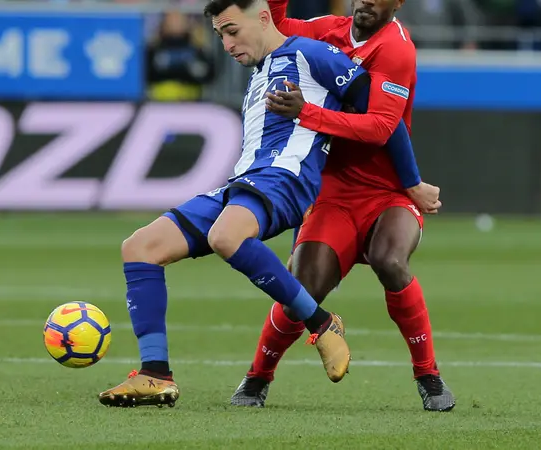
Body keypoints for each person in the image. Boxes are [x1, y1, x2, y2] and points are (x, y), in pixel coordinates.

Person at [97, 0, 421, 408]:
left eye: (232, 31)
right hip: (242, 184)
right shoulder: (260, 73)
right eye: (220, 36)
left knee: (226, 236)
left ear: (263, 18)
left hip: (286, 178)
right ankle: (155, 374)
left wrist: (411, 183)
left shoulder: (312, 53)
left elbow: (383, 121)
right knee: (140, 247)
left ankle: (321, 323)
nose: (227, 44)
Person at [230, 0, 456, 412]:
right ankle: (257, 378)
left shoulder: (396, 48)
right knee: (304, 287)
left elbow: (380, 128)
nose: (365, 0)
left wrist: (308, 114)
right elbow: (276, 24)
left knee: (391, 261)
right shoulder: (327, 30)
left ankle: (429, 376)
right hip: (332, 193)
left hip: (388, 193)